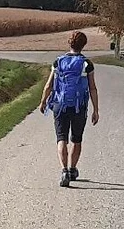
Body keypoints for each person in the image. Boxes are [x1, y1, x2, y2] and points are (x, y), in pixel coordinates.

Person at [39, 31, 100, 187]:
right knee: (76, 139)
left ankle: (64, 170)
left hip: (60, 105)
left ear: (69, 43)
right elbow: (92, 88)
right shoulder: (87, 64)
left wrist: (43, 101)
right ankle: (73, 170)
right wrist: (95, 110)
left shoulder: (58, 62)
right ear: (83, 45)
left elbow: (49, 85)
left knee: (61, 138)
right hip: (79, 106)